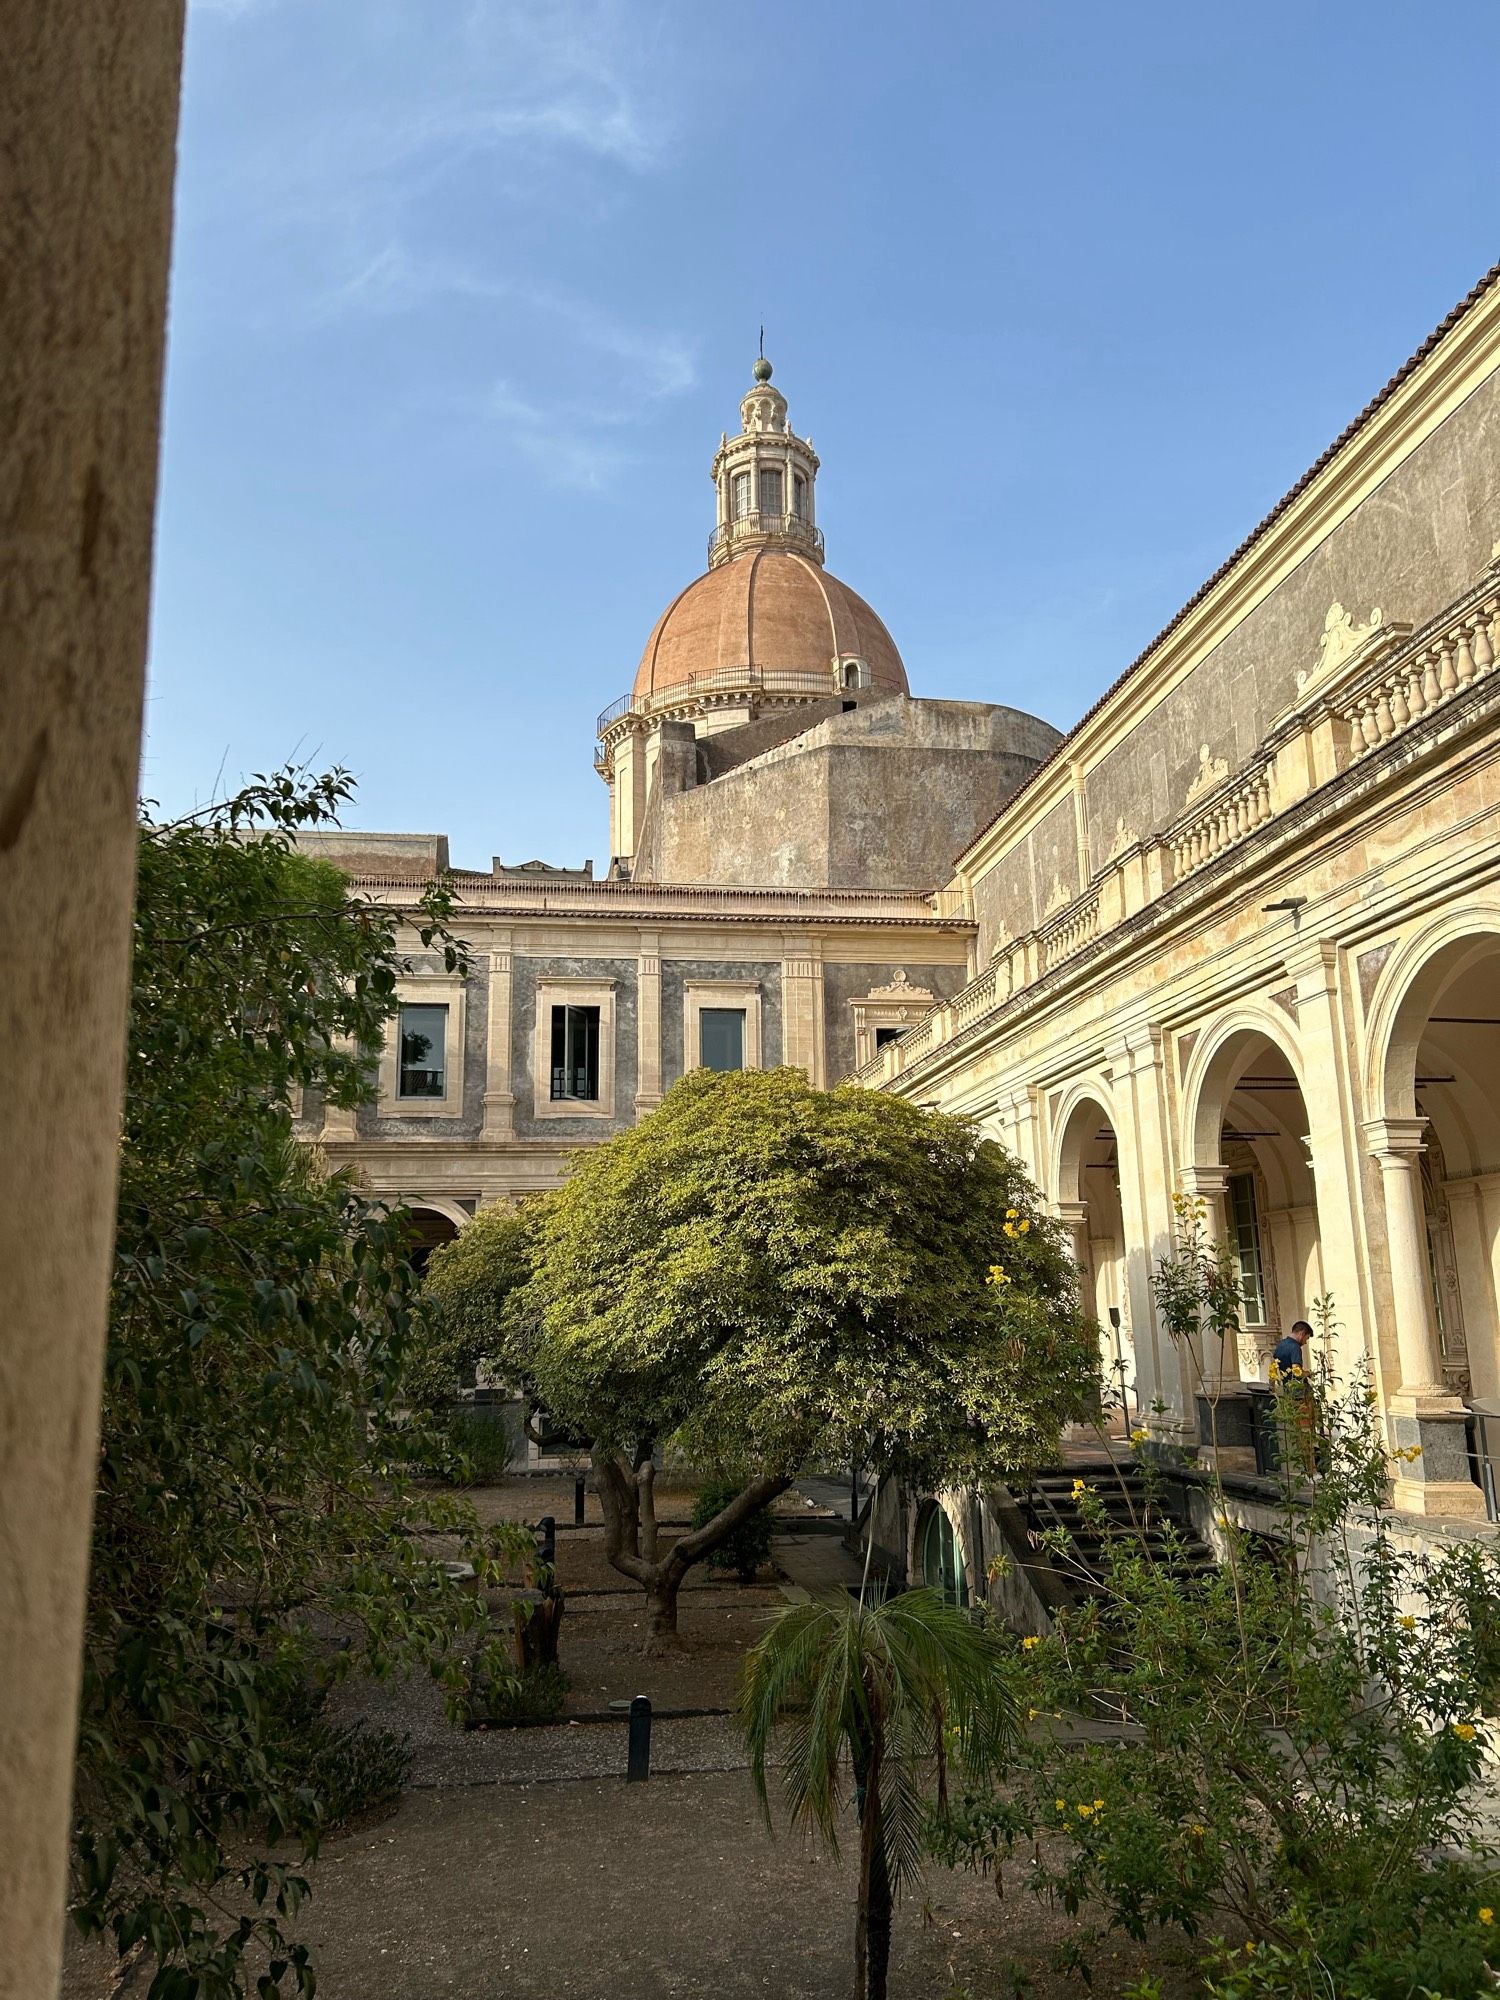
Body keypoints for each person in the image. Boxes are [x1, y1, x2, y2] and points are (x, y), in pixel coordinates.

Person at [1271, 1318, 1314, 1383]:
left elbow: (1273, 1366)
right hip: (1296, 1387)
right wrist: (1308, 1373)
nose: (1305, 1342)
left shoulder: (1281, 1344)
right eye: (1306, 1338)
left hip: (1286, 1386)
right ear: (1302, 1334)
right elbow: (1296, 1371)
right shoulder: (1295, 1347)